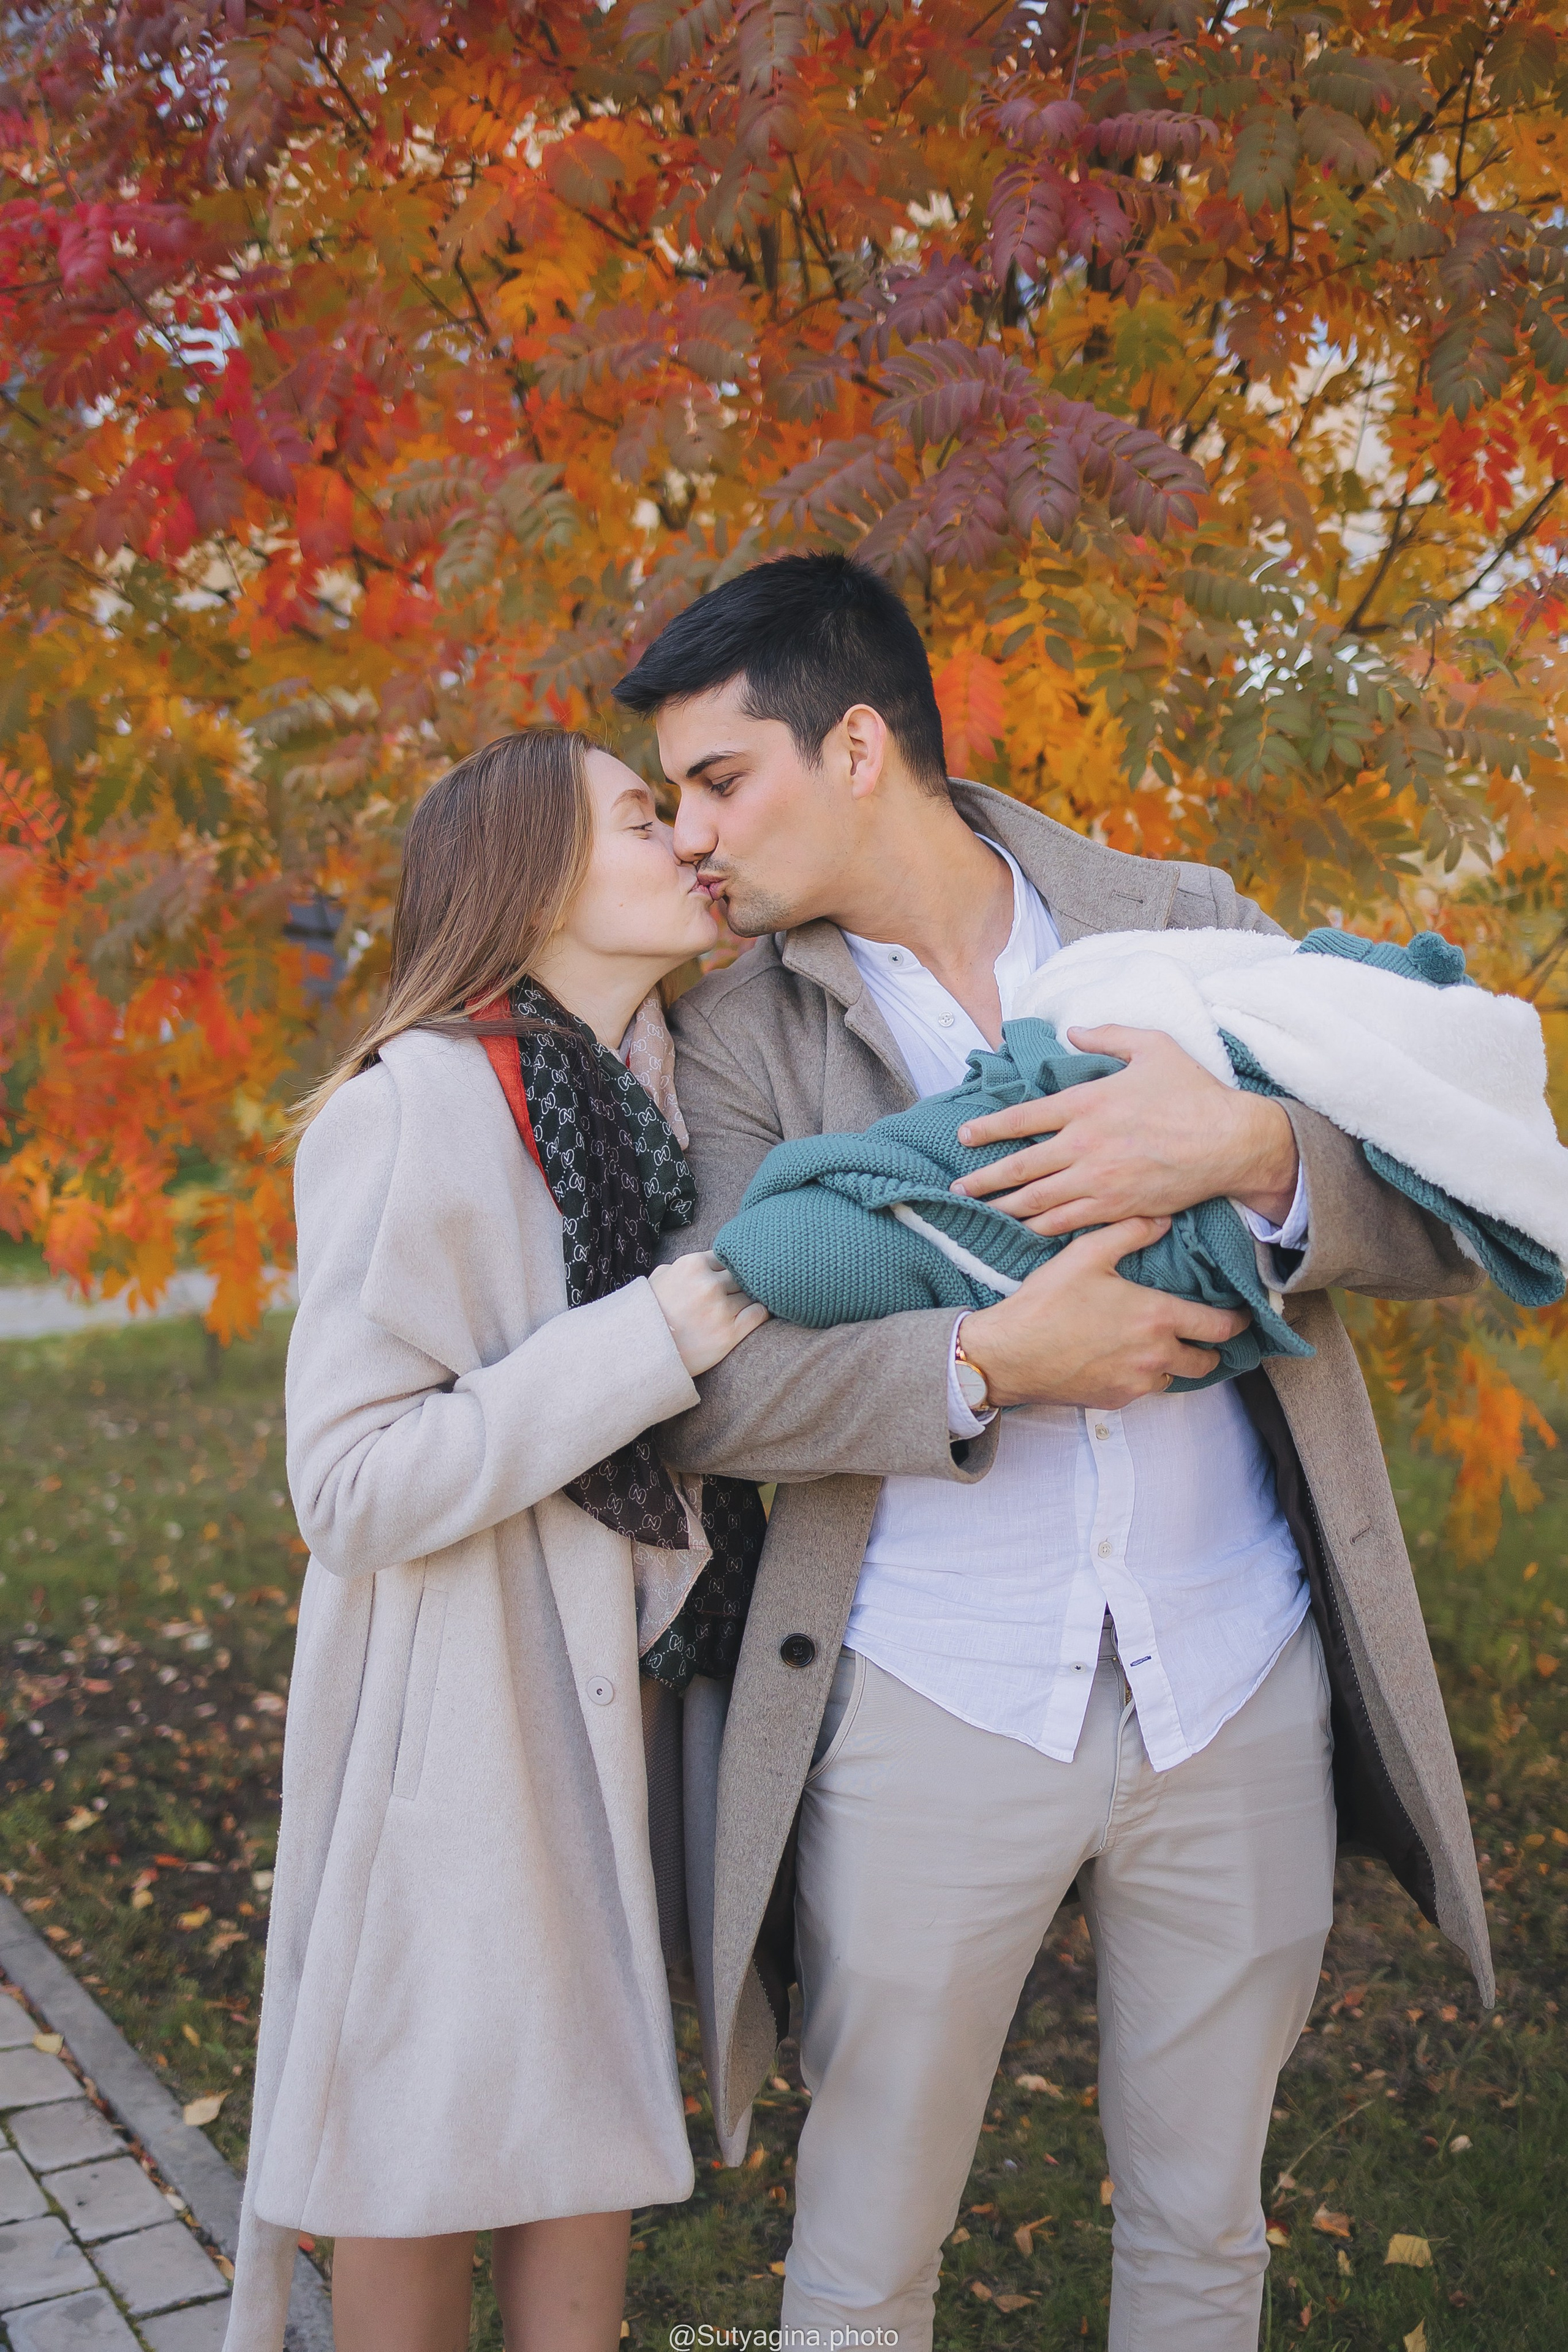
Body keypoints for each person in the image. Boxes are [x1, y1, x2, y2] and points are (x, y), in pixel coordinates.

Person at [611, 554, 1491, 2352]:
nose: (692, 833)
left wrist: (1249, 1155)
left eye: (721, 780)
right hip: (932, 1696)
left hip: (1234, 1675)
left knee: (1204, 2238)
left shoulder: (1178, 917)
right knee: (863, 2260)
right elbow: (703, 1394)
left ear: (858, 745)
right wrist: (987, 1363)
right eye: (678, 797)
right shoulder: (737, 1038)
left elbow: (1435, 1217)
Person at [224, 729, 767, 2352]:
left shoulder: (677, 1098)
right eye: (636, 817)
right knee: (425, 2160)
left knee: (578, 2152)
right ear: (530, 882)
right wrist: (660, 1333)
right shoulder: (415, 1111)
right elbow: (354, 1486)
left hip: (625, 1711)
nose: (684, 839)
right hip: (453, 1739)